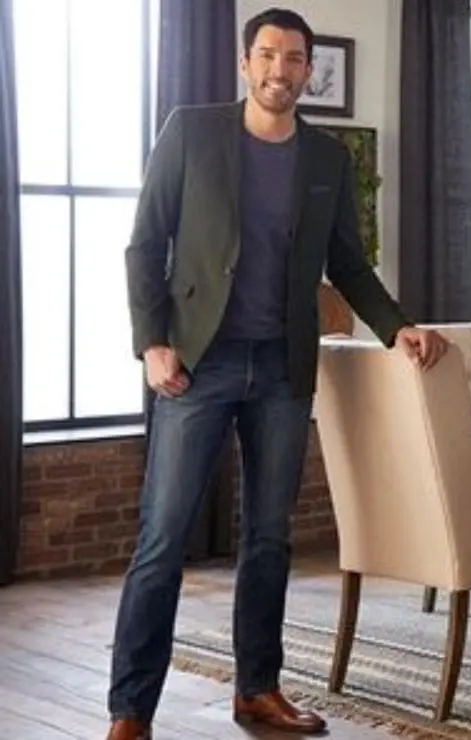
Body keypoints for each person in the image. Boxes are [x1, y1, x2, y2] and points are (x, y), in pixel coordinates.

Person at [107, 8, 448, 739]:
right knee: (163, 538)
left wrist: (397, 327)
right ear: (244, 62)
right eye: (267, 55)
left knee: (269, 538)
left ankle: (257, 689)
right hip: (199, 363)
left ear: (308, 70)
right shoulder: (192, 131)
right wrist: (152, 343)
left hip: (285, 368)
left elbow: (347, 264)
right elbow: (144, 245)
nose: (280, 70)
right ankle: (131, 711)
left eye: (294, 59)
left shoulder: (327, 160)